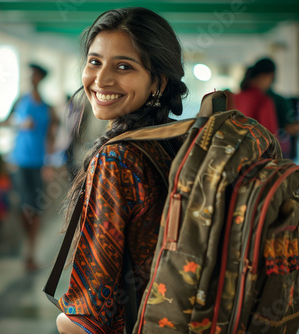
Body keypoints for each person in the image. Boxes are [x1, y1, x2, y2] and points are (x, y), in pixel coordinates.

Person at [54, 7, 188, 334]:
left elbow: (89, 315)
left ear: (158, 81)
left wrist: (62, 321)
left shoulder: (116, 160)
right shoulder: (183, 141)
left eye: (124, 66)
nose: (101, 80)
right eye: (94, 62)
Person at [5, 63, 59, 271]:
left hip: (38, 163)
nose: (31, 78)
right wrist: (20, 124)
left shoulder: (47, 108)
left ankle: (31, 250)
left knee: (36, 208)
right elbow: (6, 122)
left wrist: (49, 163)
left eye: (35, 75)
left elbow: (51, 137)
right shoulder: (20, 101)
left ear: (40, 78)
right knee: (23, 207)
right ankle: (28, 246)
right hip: (19, 161)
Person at [230, 59, 279, 136]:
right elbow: (270, 137)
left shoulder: (234, 98)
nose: (271, 83)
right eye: (271, 78)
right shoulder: (263, 101)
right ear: (263, 76)